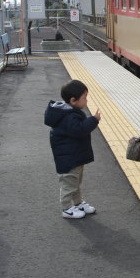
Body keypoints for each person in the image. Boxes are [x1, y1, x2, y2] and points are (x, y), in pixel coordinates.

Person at [44, 79, 102, 219]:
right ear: (73, 100)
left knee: (76, 183)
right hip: (68, 159)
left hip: (74, 157)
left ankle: (78, 203)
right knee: (69, 185)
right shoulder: (67, 117)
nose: (86, 101)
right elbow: (79, 130)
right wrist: (94, 120)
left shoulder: (71, 112)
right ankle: (67, 208)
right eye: (84, 98)